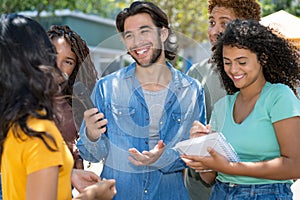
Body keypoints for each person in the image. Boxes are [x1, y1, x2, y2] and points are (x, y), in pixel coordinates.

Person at [77, 1, 206, 199]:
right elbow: (91, 154)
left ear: (163, 34)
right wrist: (92, 135)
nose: (137, 42)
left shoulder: (191, 90)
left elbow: (196, 154)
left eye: (144, 31)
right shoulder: (107, 87)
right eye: (129, 35)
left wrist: (163, 158)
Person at [0, 13, 116, 200]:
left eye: (67, 61)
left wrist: (68, 173)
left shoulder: (15, 121)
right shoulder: (41, 133)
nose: (56, 66)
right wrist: (92, 197)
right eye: (49, 54)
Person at [182, 19, 300, 199]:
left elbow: (295, 167)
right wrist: (200, 153)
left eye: (242, 61)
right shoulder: (222, 106)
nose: (233, 69)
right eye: (227, 62)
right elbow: (209, 178)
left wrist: (229, 168)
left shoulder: (279, 97)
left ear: (263, 58)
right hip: (221, 193)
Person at [185, 0, 261, 199]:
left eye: (224, 23)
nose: (214, 31)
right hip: (202, 190)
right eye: (211, 22)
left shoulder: (268, 78)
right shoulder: (197, 73)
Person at [47, 25, 98, 170]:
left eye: (68, 61)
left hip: (64, 187)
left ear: (75, 69)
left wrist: (76, 155)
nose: (57, 66)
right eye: (52, 56)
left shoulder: (76, 106)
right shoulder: (16, 98)